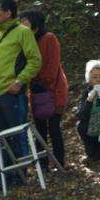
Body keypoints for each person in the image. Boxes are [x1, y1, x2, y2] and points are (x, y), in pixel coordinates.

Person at [0, 0, 42, 189]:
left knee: (17, 134)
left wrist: (19, 81)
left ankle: (20, 176)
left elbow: (35, 60)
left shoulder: (23, 32)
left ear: (8, 13)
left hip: (12, 93)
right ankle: (4, 179)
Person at [18, 10, 68, 168]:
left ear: (35, 22)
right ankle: (44, 165)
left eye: (24, 20)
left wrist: (42, 81)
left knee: (54, 127)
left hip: (53, 90)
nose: (22, 24)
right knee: (40, 129)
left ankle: (59, 163)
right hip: (36, 92)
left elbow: (53, 64)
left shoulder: (49, 38)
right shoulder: (26, 42)